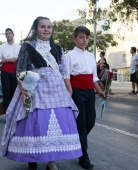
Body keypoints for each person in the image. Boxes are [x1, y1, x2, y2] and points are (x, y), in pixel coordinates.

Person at [0, 16, 82, 170]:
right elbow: (20, 70)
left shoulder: (57, 48)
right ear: (36, 29)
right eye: (43, 26)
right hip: (35, 86)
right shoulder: (28, 47)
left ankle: (51, 160)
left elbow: (63, 71)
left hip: (56, 88)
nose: (46, 29)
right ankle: (33, 157)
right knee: (34, 121)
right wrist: (23, 89)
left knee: (59, 121)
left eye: (49, 27)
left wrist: (68, 88)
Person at [65, 26, 106, 169]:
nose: (84, 40)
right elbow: (66, 76)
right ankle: (84, 157)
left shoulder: (90, 56)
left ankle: (76, 142)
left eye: (86, 37)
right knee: (81, 124)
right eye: (81, 37)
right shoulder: (69, 56)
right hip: (77, 92)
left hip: (89, 92)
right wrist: (70, 92)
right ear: (74, 39)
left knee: (91, 121)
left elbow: (94, 77)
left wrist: (99, 91)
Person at [0, 28, 21, 110]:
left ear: (13, 34)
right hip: (5, 72)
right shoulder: (1, 47)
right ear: (5, 35)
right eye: (6, 33)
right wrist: (8, 60)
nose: (8, 35)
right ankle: (7, 114)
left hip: (16, 71)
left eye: (9, 33)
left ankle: (14, 114)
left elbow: (21, 59)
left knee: (15, 93)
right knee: (6, 93)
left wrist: (5, 60)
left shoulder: (19, 46)